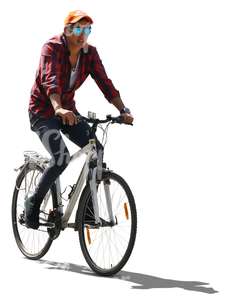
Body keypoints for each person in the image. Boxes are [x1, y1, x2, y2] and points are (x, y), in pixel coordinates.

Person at [25, 10, 134, 229]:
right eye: (77, 28)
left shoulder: (89, 53)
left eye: (87, 29)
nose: (82, 34)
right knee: (61, 157)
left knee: (97, 149)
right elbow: (50, 79)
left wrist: (123, 109)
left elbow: (105, 82)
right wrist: (57, 108)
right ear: (66, 30)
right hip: (43, 112)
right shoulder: (52, 47)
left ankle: (88, 213)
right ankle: (33, 203)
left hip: (69, 112)